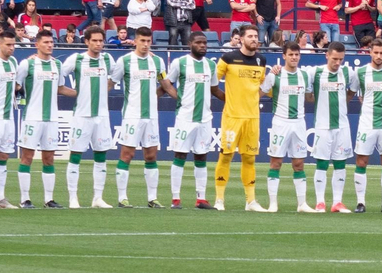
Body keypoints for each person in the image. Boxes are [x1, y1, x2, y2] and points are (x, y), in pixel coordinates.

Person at [213, 24, 269, 212]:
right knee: (226, 155)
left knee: (250, 159)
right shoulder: (228, 58)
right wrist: (226, 99)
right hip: (232, 116)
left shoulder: (261, 60)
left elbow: (262, 87)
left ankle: (250, 201)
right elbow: (213, 81)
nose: (254, 39)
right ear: (241, 39)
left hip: (252, 117)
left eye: (256, 36)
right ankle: (219, 199)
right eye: (250, 36)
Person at [61, 26, 118, 209]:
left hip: (102, 116)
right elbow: (58, 75)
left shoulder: (108, 59)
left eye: (101, 41)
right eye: (94, 40)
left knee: (101, 155)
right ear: (86, 41)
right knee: (75, 155)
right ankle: (73, 198)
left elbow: (115, 77)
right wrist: (74, 93)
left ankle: (98, 198)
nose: (99, 44)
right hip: (82, 115)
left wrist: (104, 89)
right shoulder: (77, 59)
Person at [114, 27, 167, 208]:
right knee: (127, 154)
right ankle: (122, 197)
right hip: (132, 116)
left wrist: (158, 96)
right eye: (142, 41)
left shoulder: (158, 62)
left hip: (151, 116)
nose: (145, 44)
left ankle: (152, 198)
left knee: (151, 156)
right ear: (134, 41)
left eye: (148, 41)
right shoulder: (125, 61)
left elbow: (164, 83)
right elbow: (111, 82)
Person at [349, 39, 382, 213]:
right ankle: (360, 202)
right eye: (376, 53)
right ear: (370, 52)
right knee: (361, 161)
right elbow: (351, 92)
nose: (379, 56)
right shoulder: (361, 72)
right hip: (366, 123)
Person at [166, 29, 218, 208]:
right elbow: (166, 82)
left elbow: (214, 89)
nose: (202, 46)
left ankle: (201, 198)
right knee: (180, 154)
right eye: (198, 43)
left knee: (201, 156)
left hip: (205, 118)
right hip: (185, 118)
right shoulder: (179, 63)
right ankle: (175, 198)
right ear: (190, 44)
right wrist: (178, 98)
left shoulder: (211, 65)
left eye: (204, 43)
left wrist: (232, 100)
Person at [15, 28, 66, 207]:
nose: (50, 45)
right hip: (32, 118)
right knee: (27, 157)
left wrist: (81, 93)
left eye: (51, 42)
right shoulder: (27, 65)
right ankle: (25, 199)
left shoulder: (57, 65)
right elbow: (15, 86)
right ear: (37, 44)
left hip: (51, 119)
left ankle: (49, 199)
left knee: (49, 158)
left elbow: (61, 88)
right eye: (45, 42)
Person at [263, 39, 314, 213]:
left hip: (299, 123)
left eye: (297, 54)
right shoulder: (275, 74)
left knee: (299, 163)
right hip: (281, 122)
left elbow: (309, 97)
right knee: (276, 162)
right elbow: (259, 92)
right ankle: (273, 204)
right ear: (283, 56)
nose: (294, 57)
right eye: (290, 54)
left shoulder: (305, 75)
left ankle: (302, 204)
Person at [309, 41, 357, 212]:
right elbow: (306, 93)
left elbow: (353, 89)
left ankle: (337, 202)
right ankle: (320, 201)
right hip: (322, 126)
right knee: (322, 163)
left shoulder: (347, 72)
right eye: (335, 59)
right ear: (327, 55)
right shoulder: (315, 72)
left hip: (342, 126)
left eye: (341, 59)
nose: (338, 63)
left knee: (340, 164)